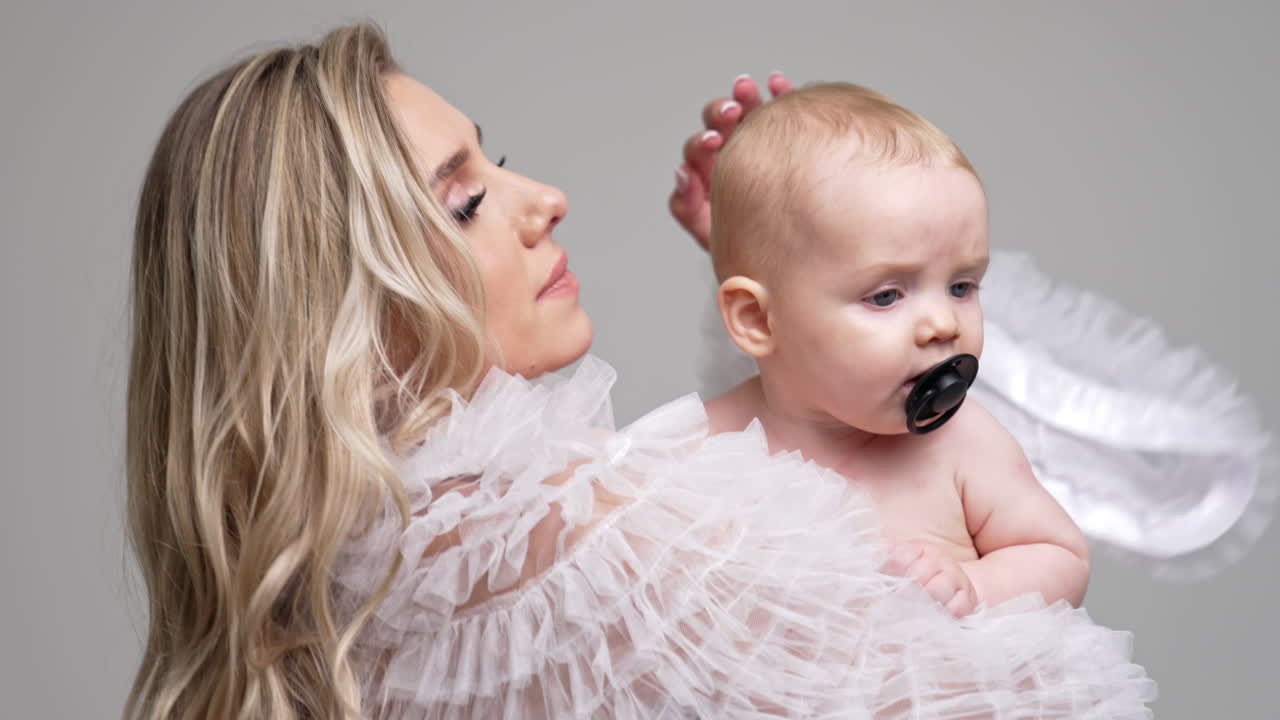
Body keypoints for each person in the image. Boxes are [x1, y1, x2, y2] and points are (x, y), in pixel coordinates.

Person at [124, 22, 1162, 719]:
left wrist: (802, 276)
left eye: (496, 160)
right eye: (465, 203)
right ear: (344, 300)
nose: (545, 198)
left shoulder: (372, 561)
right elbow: (984, 684)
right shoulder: (550, 540)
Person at [700, 82, 1088, 618]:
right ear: (757, 319)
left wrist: (976, 589)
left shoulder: (964, 445)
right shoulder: (700, 446)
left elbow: (1061, 555)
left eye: (962, 286)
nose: (942, 324)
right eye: (886, 296)